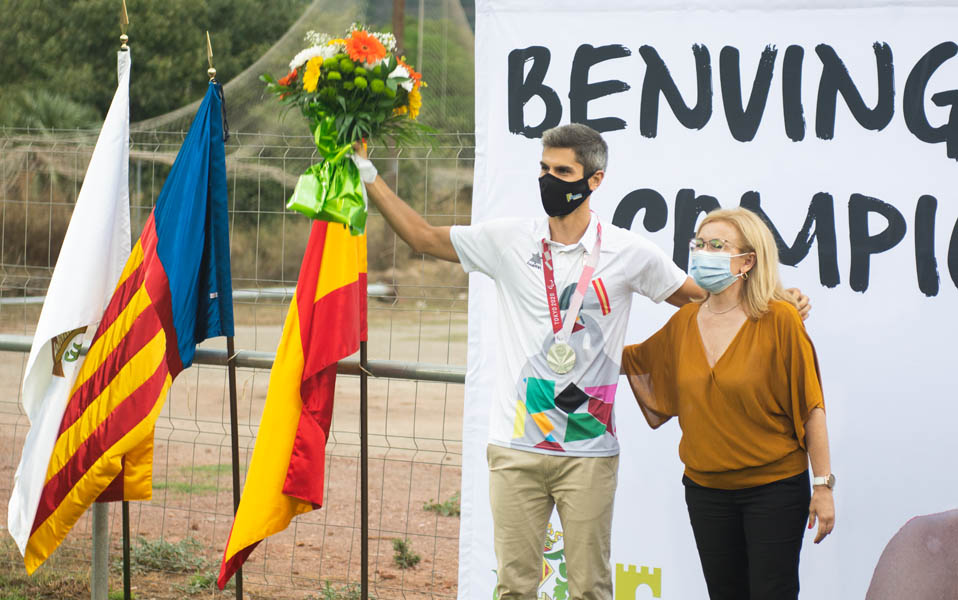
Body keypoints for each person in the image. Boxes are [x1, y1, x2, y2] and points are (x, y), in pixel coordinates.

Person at [352, 126, 806, 600]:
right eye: (544, 169)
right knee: (513, 588)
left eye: (563, 171)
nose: (550, 180)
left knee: (590, 589)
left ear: (595, 179)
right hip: (516, 448)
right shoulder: (507, 240)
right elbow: (422, 237)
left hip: (589, 454)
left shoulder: (628, 253)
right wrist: (368, 172)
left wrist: (778, 298)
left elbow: (710, 298)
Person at [620, 208, 834, 600]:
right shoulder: (684, 321)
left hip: (774, 489)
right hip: (705, 491)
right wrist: (568, 340)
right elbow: (631, 360)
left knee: (773, 592)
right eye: (698, 244)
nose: (703, 253)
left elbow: (811, 406)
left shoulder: (780, 319)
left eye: (717, 246)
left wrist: (822, 485)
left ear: (747, 260)